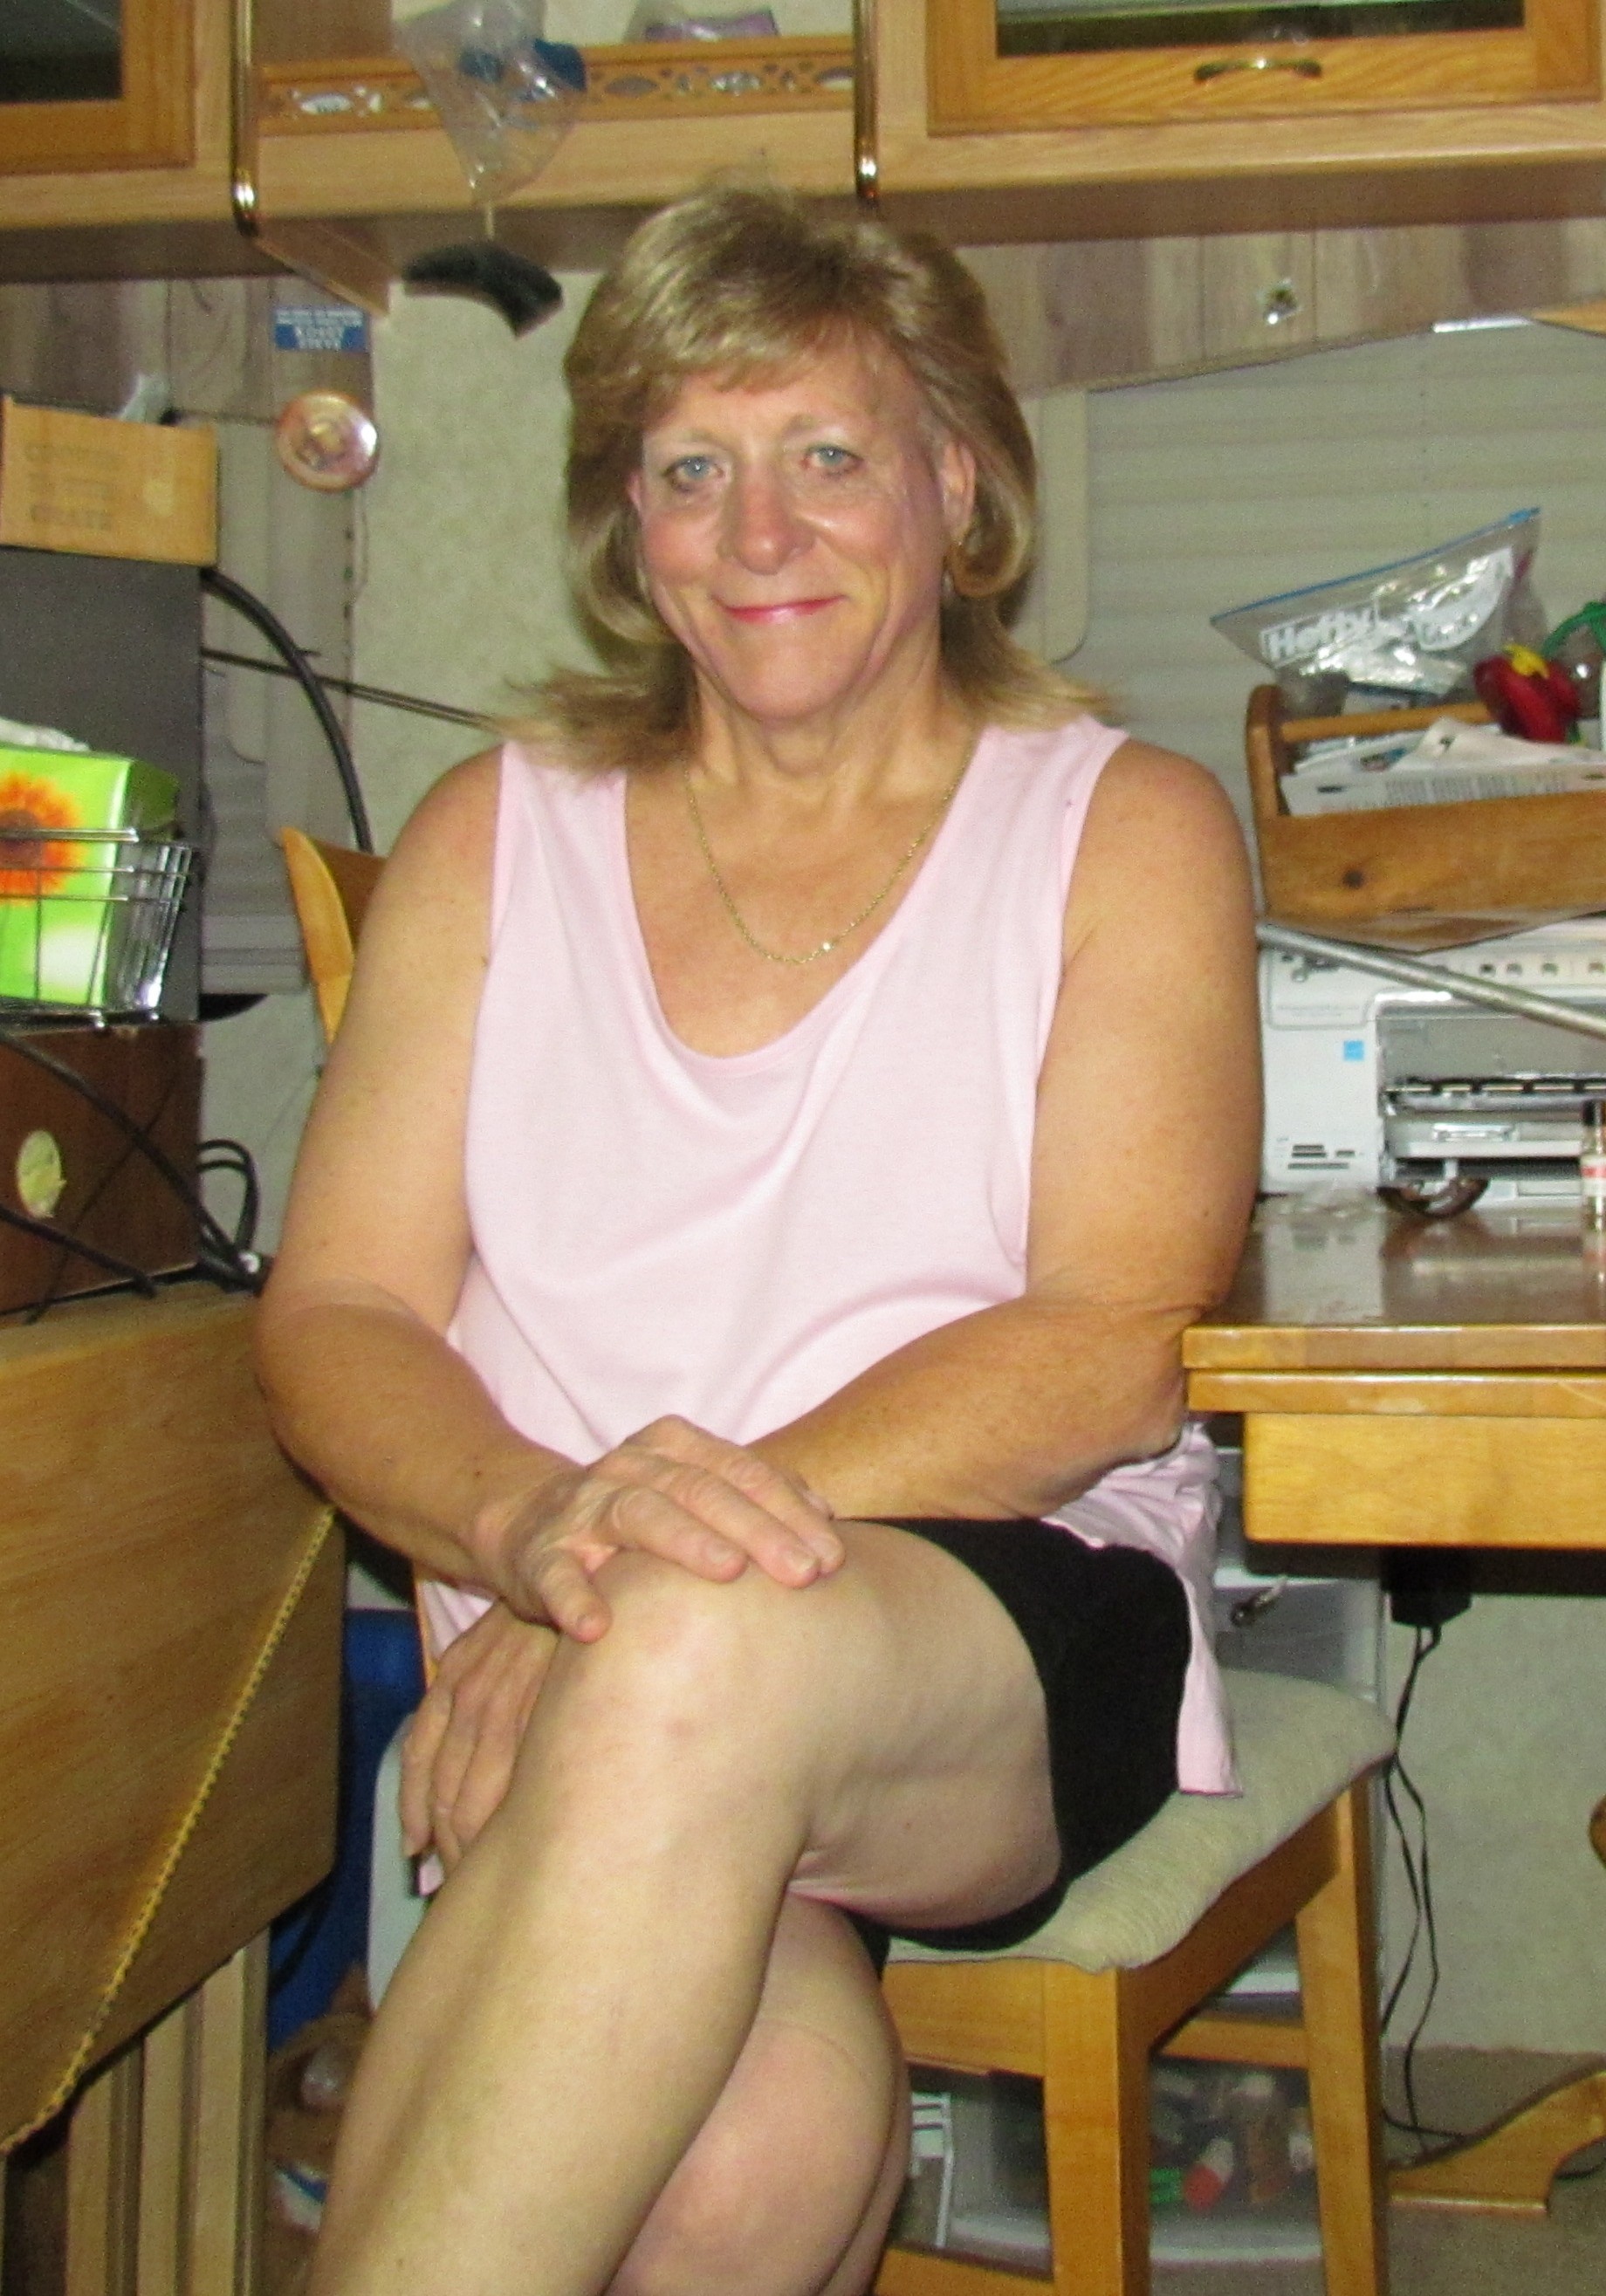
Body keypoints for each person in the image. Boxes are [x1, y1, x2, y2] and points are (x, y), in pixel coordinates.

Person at [255, 182, 1260, 2296]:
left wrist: (625, 1564)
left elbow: (1105, 1341)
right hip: (571, 1635)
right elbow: (333, 1310)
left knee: (693, 1647)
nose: (759, 530)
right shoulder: (492, 837)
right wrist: (531, 1526)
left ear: (954, 482)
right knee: (745, 2162)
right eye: (692, 470)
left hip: (981, 1608)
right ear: (630, 527)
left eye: (824, 452)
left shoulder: (1120, 827)